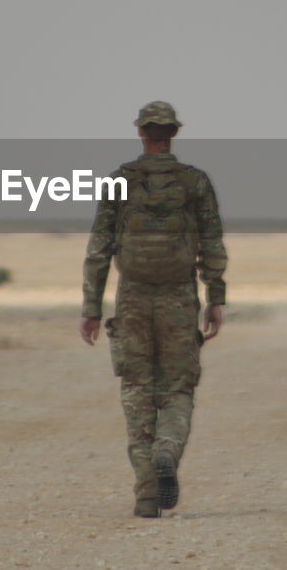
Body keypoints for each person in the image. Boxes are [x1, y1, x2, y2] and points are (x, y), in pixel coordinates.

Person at [80, 101, 228, 518]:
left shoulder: (119, 182)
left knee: (136, 389)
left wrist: (91, 307)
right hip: (180, 298)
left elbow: (99, 250)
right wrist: (215, 298)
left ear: (142, 134)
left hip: (133, 298)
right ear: (174, 133)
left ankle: (147, 492)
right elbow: (211, 243)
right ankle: (167, 450)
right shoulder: (195, 182)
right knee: (178, 389)